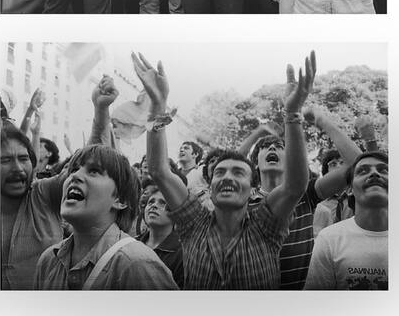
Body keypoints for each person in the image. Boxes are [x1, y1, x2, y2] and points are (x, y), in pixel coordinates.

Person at [133, 50, 316, 289]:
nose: (227, 176)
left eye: (238, 172)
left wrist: (292, 114)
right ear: (210, 187)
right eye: (220, 172)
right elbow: (159, 171)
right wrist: (158, 105)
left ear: (253, 189)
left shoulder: (266, 225)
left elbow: (295, 186)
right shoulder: (193, 223)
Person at [0, 74, 120, 290]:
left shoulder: (44, 193)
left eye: (24, 158)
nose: (17, 168)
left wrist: (100, 111)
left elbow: (90, 159)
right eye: (5, 160)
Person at [239, 105, 362, 289]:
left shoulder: (305, 194)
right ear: (256, 161)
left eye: (280, 146)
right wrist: (257, 134)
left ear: (291, 160)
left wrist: (322, 121)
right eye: (264, 146)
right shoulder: (242, 201)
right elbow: (224, 169)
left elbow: (358, 164)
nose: (272, 146)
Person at [34, 145, 178, 290]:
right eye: (73, 169)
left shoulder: (137, 264)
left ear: (120, 200)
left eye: (94, 171)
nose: (75, 176)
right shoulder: (49, 259)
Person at [305, 152, 388, 290]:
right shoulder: (328, 239)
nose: (374, 174)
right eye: (363, 171)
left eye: (383, 169)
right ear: (349, 189)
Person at [137, 186, 185, 288]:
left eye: (162, 203)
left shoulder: (182, 253)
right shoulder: (133, 244)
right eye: (151, 202)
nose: (154, 206)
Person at [312, 149, 354, 237]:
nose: (339, 167)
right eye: (333, 164)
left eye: (342, 163)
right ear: (326, 171)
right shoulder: (317, 203)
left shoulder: (357, 197)